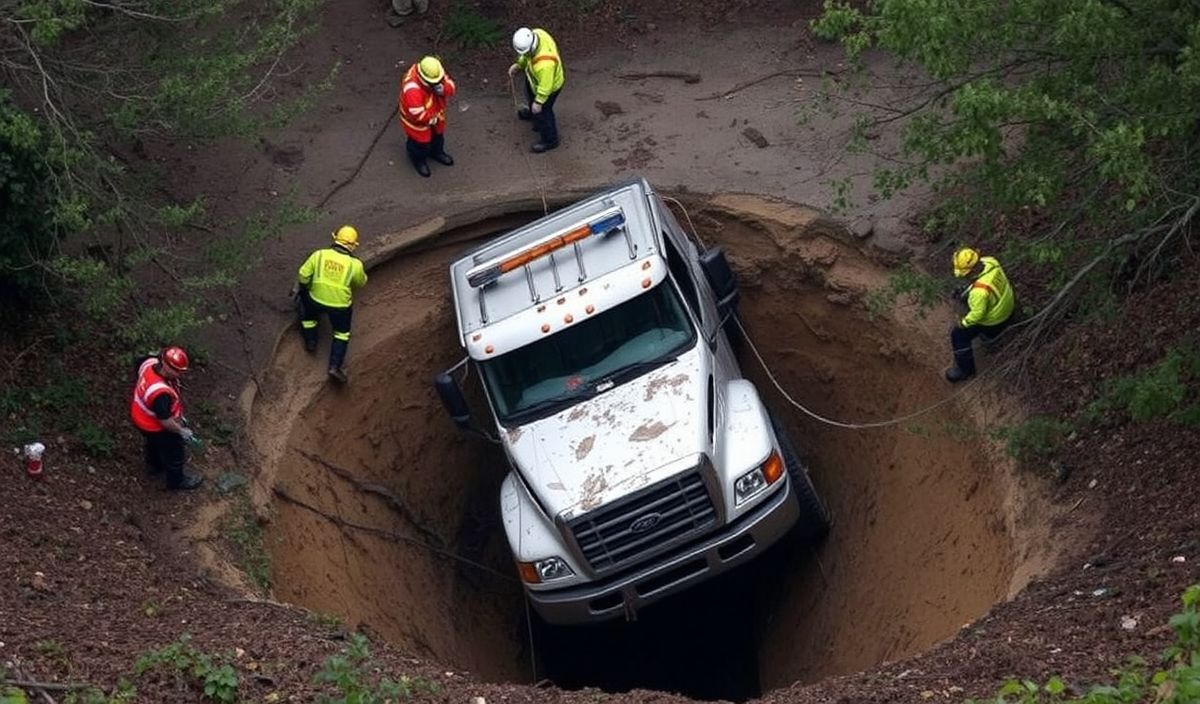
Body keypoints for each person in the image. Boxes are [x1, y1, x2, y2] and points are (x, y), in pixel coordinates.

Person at [292, 225, 369, 383]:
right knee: (341, 333)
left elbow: (303, 275)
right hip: (340, 306)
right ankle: (334, 367)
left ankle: (311, 342)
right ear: (353, 246)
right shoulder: (355, 265)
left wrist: (304, 288)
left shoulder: (319, 255)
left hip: (315, 299)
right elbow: (361, 282)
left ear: (335, 239)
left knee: (308, 317)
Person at [130, 346, 204, 491]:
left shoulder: (148, 364)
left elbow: (138, 363)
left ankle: (154, 466)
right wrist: (181, 431)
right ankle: (176, 481)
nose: (179, 374)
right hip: (156, 426)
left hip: (141, 418)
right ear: (165, 365)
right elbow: (165, 421)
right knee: (175, 452)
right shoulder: (160, 393)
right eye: (176, 370)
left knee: (152, 444)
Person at [946, 247, 1015, 382]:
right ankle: (990, 336)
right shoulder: (990, 262)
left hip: (995, 319)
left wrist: (962, 324)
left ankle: (966, 370)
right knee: (971, 299)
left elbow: (977, 314)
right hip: (1006, 305)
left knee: (958, 336)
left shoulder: (979, 293)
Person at [508, 26, 565, 153]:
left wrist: (539, 102)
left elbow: (546, 86)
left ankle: (550, 140)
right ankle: (534, 114)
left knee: (544, 112)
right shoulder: (537, 34)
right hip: (535, 78)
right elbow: (526, 57)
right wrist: (520, 65)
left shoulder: (545, 65)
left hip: (549, 88)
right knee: (530, 96)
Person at [398, 55, 456, 177]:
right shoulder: (412, 90)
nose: (437, 83)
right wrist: (432, 118)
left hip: (435, 115)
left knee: (438, 137)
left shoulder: (435, 72)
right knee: (419, 144)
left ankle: (437, 152)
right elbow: (417, 114)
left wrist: (444, 89)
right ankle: (418, 160)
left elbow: (450, 84)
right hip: (417, 123)